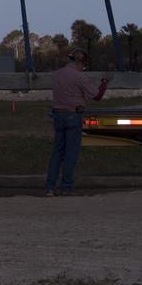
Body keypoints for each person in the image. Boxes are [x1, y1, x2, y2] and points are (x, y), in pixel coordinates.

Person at [45, 47, 109, 196]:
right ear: (81, 62)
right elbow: (97, 96)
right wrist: (104, 82)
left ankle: (50, 186)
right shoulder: (79, 77)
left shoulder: (57, 74)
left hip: (58, 116)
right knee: (71, 153)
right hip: (73, 116)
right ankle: (66, 187)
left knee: (57, 152)